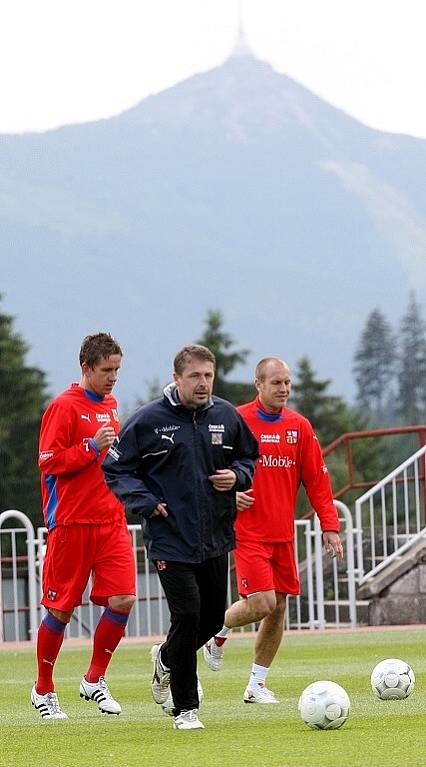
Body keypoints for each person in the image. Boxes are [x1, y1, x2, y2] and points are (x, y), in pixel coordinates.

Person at [102, 344, 259, 730]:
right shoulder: (149, 420)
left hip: (215, 536)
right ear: (177, 378)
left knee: (210, 619)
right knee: (187, 615)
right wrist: (144, 501)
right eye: (195, 376)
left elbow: (248, 458)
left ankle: (166, 659)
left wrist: (236, 476)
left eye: (208, 375)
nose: (203, 383)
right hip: (169, 537)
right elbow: (115, 467)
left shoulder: (226, 415)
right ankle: (185, 708)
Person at [203, 357, 343, 703]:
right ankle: (215, 630)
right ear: (259, 385)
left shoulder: (299, 426)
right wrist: (229, 495)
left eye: (287, 383)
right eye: (276, 383)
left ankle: (256, 685)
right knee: (263, 602)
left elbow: (316, 480)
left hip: (283, 535)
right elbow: (208, 467)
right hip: (247, 532)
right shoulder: (236, 420)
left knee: (279, 608)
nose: (283, 389)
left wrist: (330, 526)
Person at [31, 333, 136, 720]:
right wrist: (90, 446)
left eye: (117, 370)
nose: (112, 378)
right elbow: (48, 461)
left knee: (123, 598)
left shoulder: (110, 405)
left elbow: (110, 458)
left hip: (110, 519)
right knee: (60, 609)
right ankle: (43, 688)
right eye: (106, 370)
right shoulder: (62, 406)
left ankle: (94, 679)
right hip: (71, 522)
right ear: (86, 368)